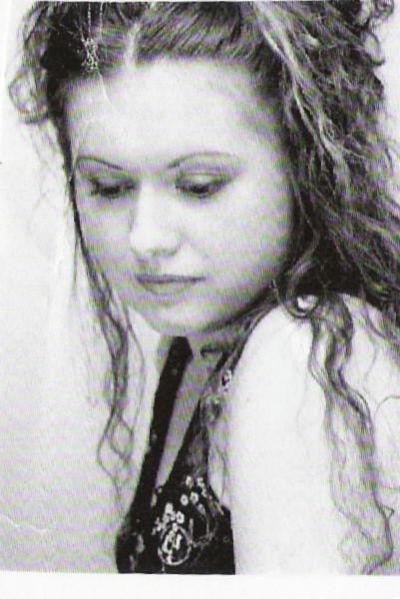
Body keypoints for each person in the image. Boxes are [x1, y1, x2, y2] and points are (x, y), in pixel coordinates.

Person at [9, 0, 400, 574]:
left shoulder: (303, 354)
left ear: (306, 164)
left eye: (198, 185)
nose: (145, 238)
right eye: (108, 187)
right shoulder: (194, 346)